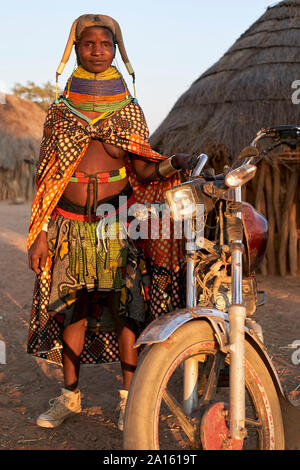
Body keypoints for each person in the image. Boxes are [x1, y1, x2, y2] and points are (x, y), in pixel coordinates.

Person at [27, 14, 192, 431]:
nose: (97, 50)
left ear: (117, 50)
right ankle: (69, 397)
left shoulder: (130, 112)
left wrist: (173, 163)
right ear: (76, 50)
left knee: (127, 312)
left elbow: (143, 168)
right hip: (67, 224)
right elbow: (47, 176)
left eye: (106, 44)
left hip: (118, 225)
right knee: (73, 312)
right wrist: (40, 232)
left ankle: (128, 400)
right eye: (89, 44)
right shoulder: (59, 112)